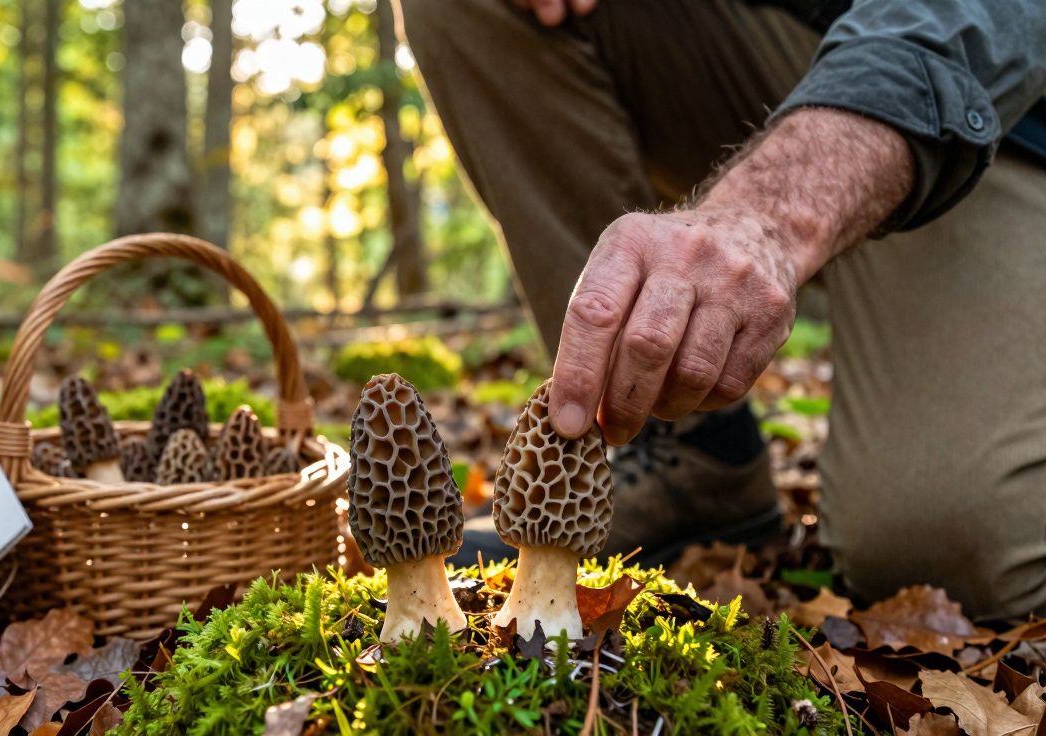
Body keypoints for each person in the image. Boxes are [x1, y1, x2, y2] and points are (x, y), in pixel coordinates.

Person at [396, 0, 1046, 619]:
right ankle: (685, 455)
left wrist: (770, 215)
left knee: (939, 545)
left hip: (1002, 105)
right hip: (779, 39)